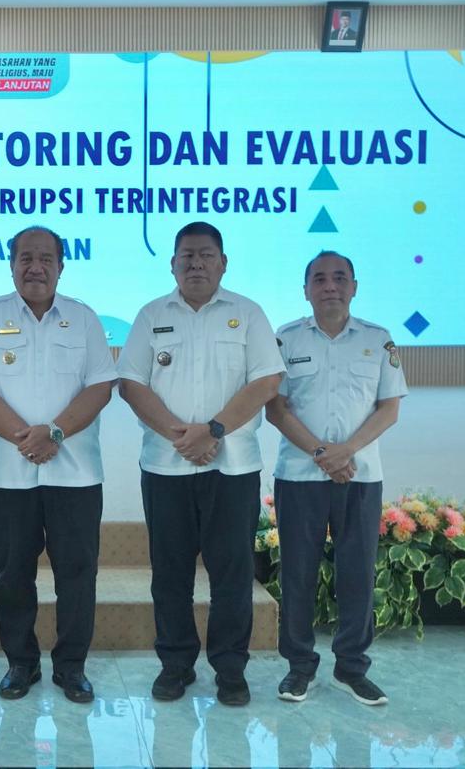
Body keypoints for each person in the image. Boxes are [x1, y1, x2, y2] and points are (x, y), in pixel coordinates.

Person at [116, 221, 283, 707]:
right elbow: (131, 384)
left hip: (232, 469)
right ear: (172, 264)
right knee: (170, 573)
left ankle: (230, 669)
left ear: (223, 263)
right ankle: (175, 665)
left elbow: (266, 382)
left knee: (232, 574)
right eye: (186, 256)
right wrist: (182, 436)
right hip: (165, 469)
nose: (196, 264)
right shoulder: (151, 315)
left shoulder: (248, 314)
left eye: (206, 255)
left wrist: (212, 431)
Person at [0, 226, 116, 704]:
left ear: (61, 266)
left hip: (76, 474)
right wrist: (26, 439)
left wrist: (56, 433)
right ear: (11, 265)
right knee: (11, 576)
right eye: (25, 258)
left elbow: (100, 386)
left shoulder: (84, 319)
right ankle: (20, 663)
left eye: (46, 258)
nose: (35, 267)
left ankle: (72, 667)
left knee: (77, 575)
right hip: (8, 475)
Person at [265, 251, 406, 706]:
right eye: (321, 279)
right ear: (306, 289)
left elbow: (389, 408)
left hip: (360, 476)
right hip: (299, 475)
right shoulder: (285, 339)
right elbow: (276, 409)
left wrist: (346, 451)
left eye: (340, 278)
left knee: (358, 573)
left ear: (354, 287)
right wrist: (322, 454)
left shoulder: (378, 340)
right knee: (298, 573)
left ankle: (351, 668)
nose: (331, 286)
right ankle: (299, 667)